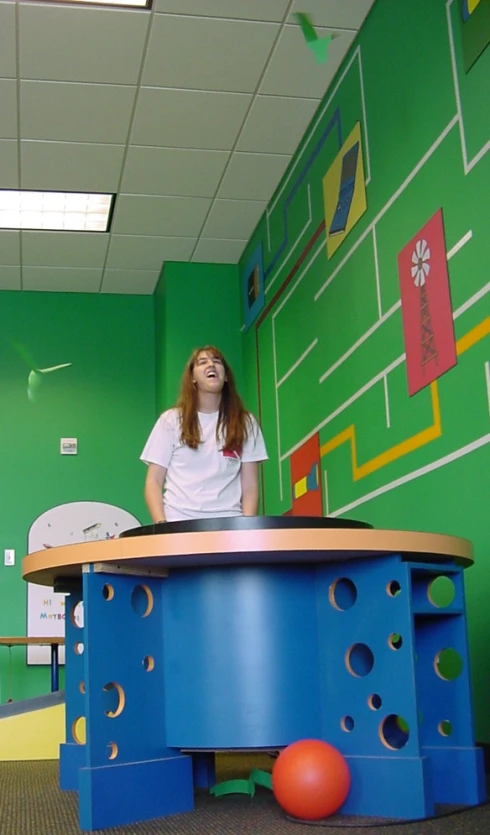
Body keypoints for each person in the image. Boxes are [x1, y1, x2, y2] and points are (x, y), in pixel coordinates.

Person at [141, 345, 268, 523]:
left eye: (217, 361)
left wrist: (246, 529)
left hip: (229, 525)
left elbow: (250, 486)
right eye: (203, 362)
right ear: (192, 377)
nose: (211, 365)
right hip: (178, 524)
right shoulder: (170, 420)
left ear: (225, 377)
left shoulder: (245, 422)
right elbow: (153, 481)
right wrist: (162, 525)